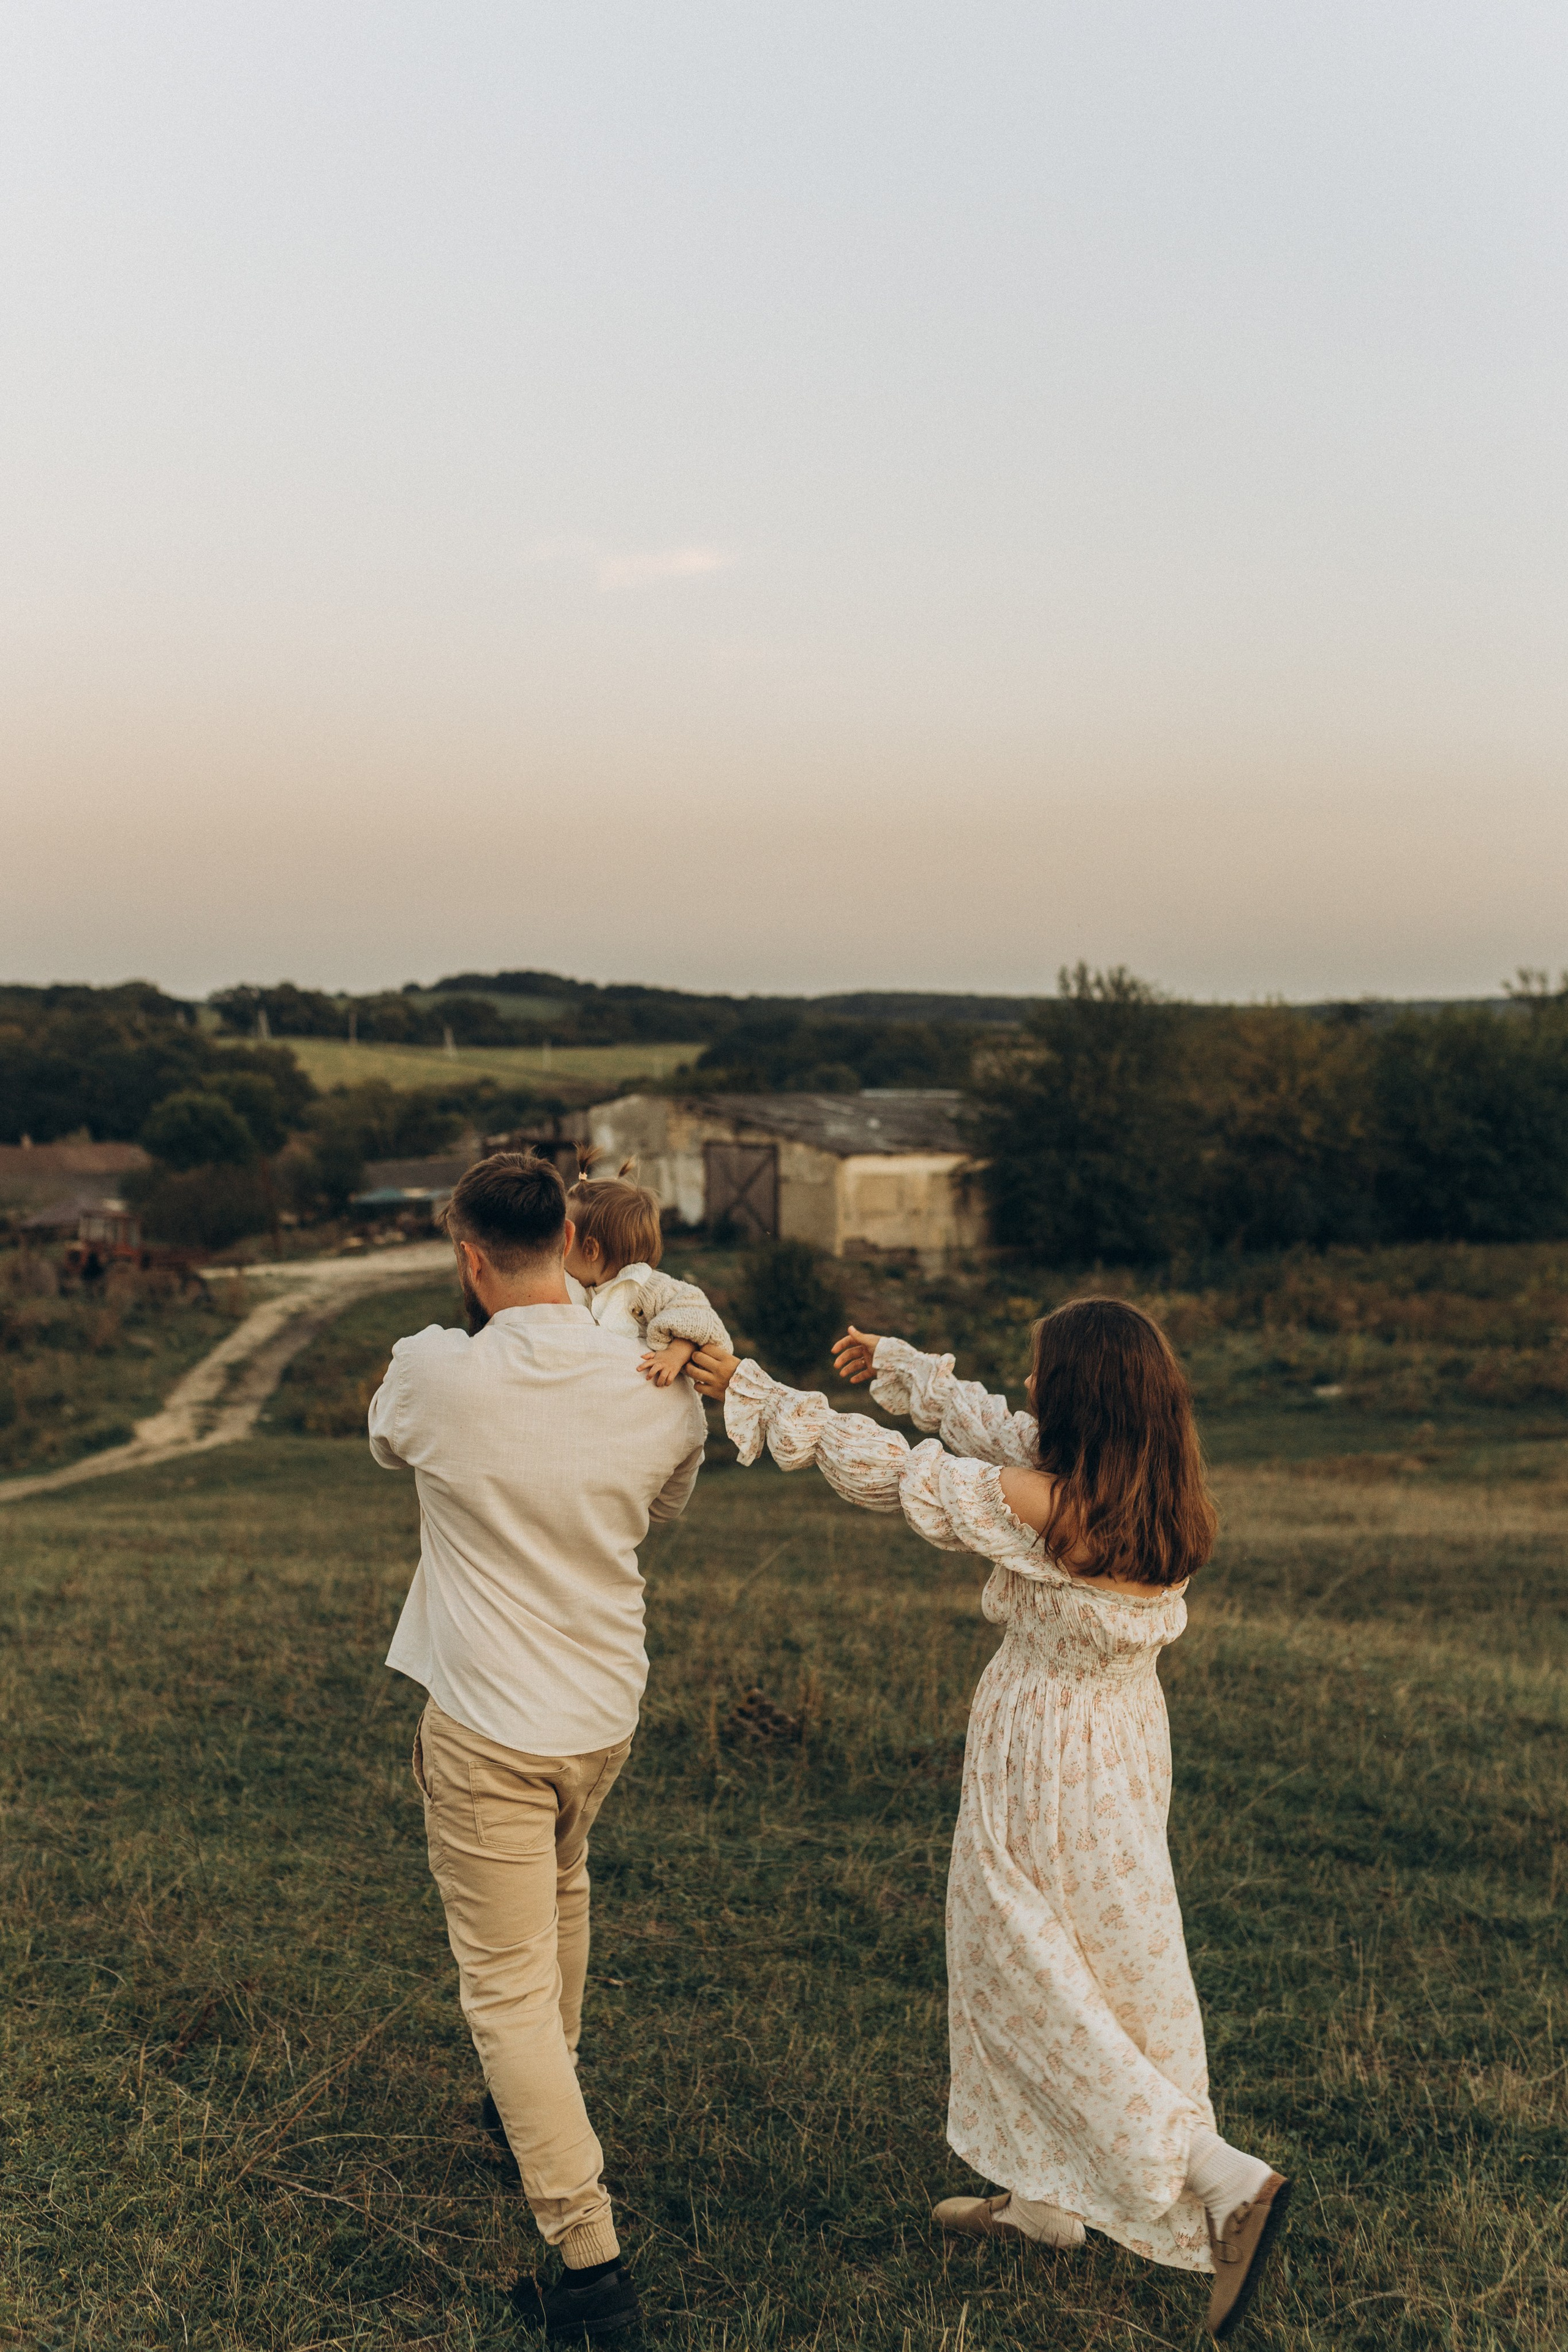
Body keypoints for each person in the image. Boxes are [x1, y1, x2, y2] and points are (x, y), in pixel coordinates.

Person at [688, 1302, 1291, 2342]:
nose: (1032, 1393)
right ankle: (1043, 2202)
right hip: (1126, 1749)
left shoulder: (1042, 1503)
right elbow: (984, 1426)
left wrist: (745, 1389)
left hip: (1041, 1754)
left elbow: (887, 1469)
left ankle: (1219, 2175)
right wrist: (902, 1367)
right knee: (1111, 1964)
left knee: (1025, 1972)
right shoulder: (1156, 1496)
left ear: (1080, 1402)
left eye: (1045, 1379)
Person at [370, 1152, 709, 2342]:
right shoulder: (658, 1385)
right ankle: (535, 2105)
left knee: (503, 1990)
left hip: (488, 1724)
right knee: (562, 1885)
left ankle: (589, 2269)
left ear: (470, 1257)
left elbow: (388, 1444)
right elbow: (664, 1503)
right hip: (601, 1706)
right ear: (572, 1236)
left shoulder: (432, 1370)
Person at [564, 1157, 731, 1384]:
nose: (557, 1247)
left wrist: (674, 1356)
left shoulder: (647, 1286)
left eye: (564, 1237)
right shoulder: (582, 1288)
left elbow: (697, 1320)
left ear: (591, 1249)